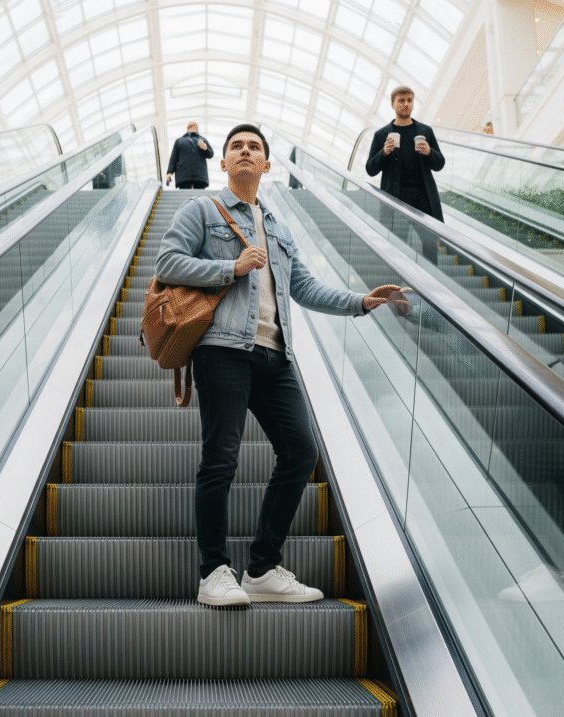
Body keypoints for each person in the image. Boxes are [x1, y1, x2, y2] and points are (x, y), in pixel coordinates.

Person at [155, 124, 412, 607]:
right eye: (237, 147)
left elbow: (307, 288)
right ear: (224, 163)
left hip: (276, 356)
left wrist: (362, 300)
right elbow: (167, 263)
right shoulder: (201, 210)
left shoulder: (277, 226)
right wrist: (228, 268)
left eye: (255, 147)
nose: (246, 152)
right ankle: (213, 573)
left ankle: (261, 568)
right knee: (220, 460)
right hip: (223, 350)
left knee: (300, 453)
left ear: (267, 165)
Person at [365, 86, 445, 263]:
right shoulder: (382, 135)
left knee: (430, 243)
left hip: (424, 196)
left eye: (410, 100)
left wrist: (430, 152)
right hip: (396, 198)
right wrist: (383, 152)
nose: (406, 104)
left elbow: (440, 164)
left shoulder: (425, 132)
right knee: (397, 244)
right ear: (393, 104)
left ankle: (429, 286)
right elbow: (370, 169)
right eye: (401, 100)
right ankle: (400, 284)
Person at [166, 121, 214, 189]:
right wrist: (169, 172)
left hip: (200, 175)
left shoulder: (202, 140)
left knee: (199, 196)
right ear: (187, 129)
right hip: (183, 175)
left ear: (197, 129)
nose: (192, 128)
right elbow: (173, 158)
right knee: (184, 195)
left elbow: (211, 154)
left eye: (195, 126)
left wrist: (205, 148)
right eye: (190, 126)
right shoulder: (179, 141)